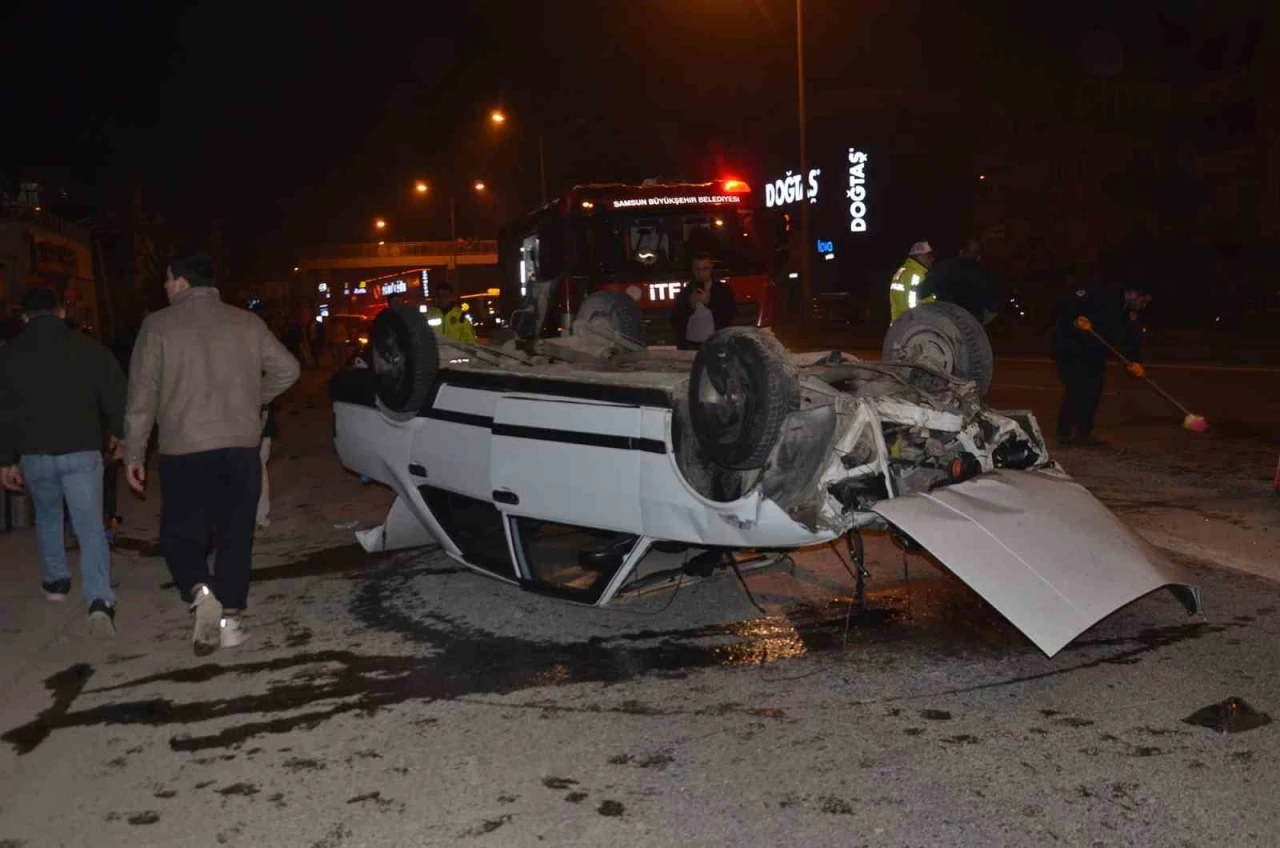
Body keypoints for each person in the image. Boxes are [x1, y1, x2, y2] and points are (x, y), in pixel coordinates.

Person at [124, 252, 300, 656]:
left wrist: (134, 452)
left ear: (182, 282)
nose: (165, 288)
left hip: (184, 450)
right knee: (236, 535)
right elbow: (288, 369)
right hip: (240, 448)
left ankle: (200, 590)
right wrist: (254, 399)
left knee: (181, 533)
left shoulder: (158, 326)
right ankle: (230, 620)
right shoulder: (248, 322)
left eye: (167, 280)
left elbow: (142, 396)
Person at [0, 287, 127, 638]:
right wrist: (120, 434)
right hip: (80, 451)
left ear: (24, 316)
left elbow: (4, 412)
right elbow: (116, 393)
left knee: (47, 515)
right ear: (61, 312)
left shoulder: (9, 356)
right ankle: (100, 599)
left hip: (34, 455)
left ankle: (57, 582)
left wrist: (5, 460)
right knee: (89, 526)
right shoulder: (88, 349)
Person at [1050, 270, 1150, 447]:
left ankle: (1084, 433)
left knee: (1094, 390)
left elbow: (1129, 338)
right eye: (1144, 300)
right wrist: (1075, 319)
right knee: (1076, 387)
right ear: (1133, 294)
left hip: (1094, 351)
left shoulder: (1127, 313)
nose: (1144, 304)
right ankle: (1064, 433)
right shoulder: (1102, 293)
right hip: (1070, 346)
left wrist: (1135, 361)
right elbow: (1068, 304)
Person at [918, 238, 1000, 324]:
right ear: (979, 257)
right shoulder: (985, 275)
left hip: (944, 325)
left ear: (961, 251)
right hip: (970, 328)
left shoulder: (943, 268)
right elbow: (994, 308)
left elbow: (921, 293)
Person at [888, 241, 936, 322]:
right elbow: (914, 305)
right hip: (913, 326)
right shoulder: (916, 275)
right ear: (922, 256)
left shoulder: (901, 271)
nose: (932, 259)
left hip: (898, 325)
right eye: (929, 256)